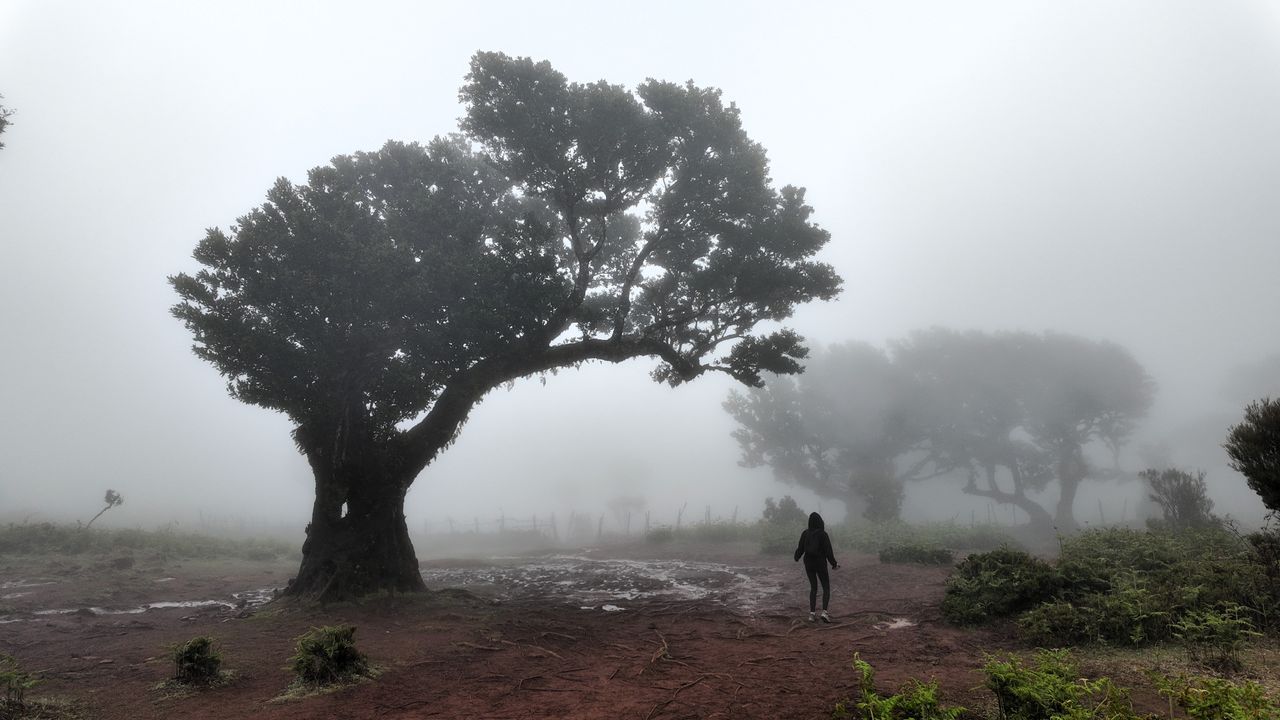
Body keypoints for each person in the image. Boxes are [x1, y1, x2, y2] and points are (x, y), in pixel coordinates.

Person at [794, 511, 839, 622]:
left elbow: (800, 549)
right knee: (826, 588)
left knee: (813, 588)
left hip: (808, 564)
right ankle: (824, 613)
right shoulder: (823, 534)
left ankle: (812, 614)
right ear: (820, 522)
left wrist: (796, 557)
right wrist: (834, 564)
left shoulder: (805, 533)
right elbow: (829, 552)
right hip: (820, 564)